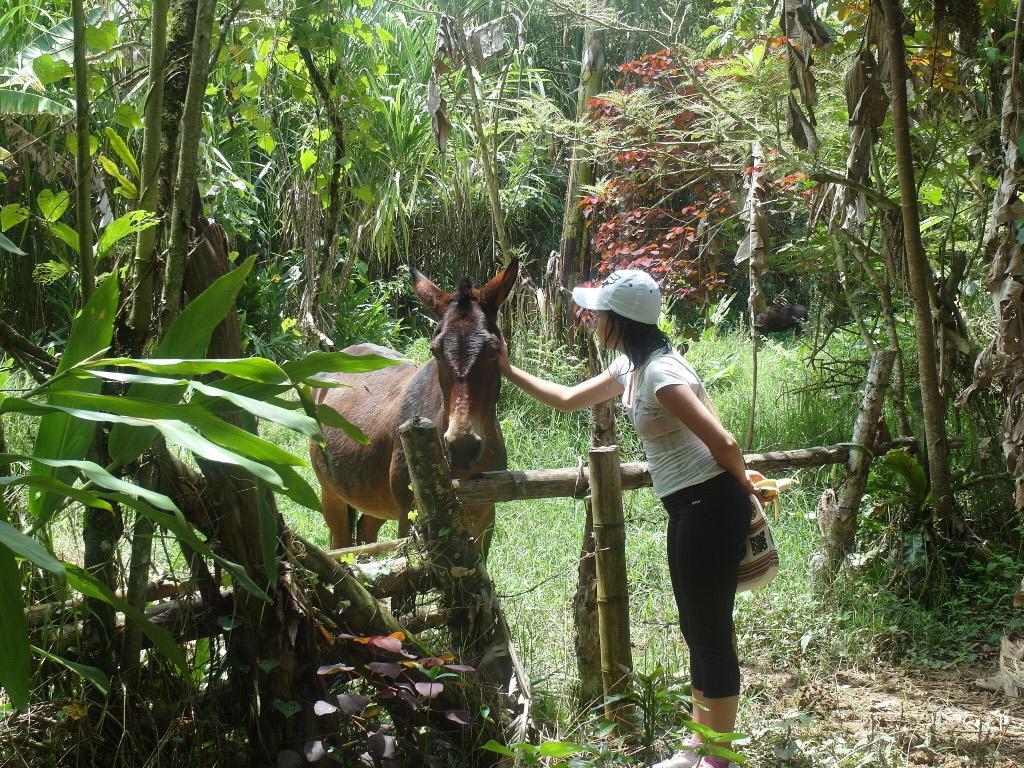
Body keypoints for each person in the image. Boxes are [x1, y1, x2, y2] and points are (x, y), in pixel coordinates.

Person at [498, 270, 761, 768]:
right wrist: (508, 370)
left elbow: (723, 442)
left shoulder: (661, 375)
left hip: (710, 504)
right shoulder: (630, 367)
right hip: (688, 507)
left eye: (599, 312)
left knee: (708, 631)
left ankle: (717, 759)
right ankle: (698, 747)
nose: (593, 319)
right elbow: (567, 398)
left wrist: (748, 487)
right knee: (695, 626)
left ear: (620, 321)